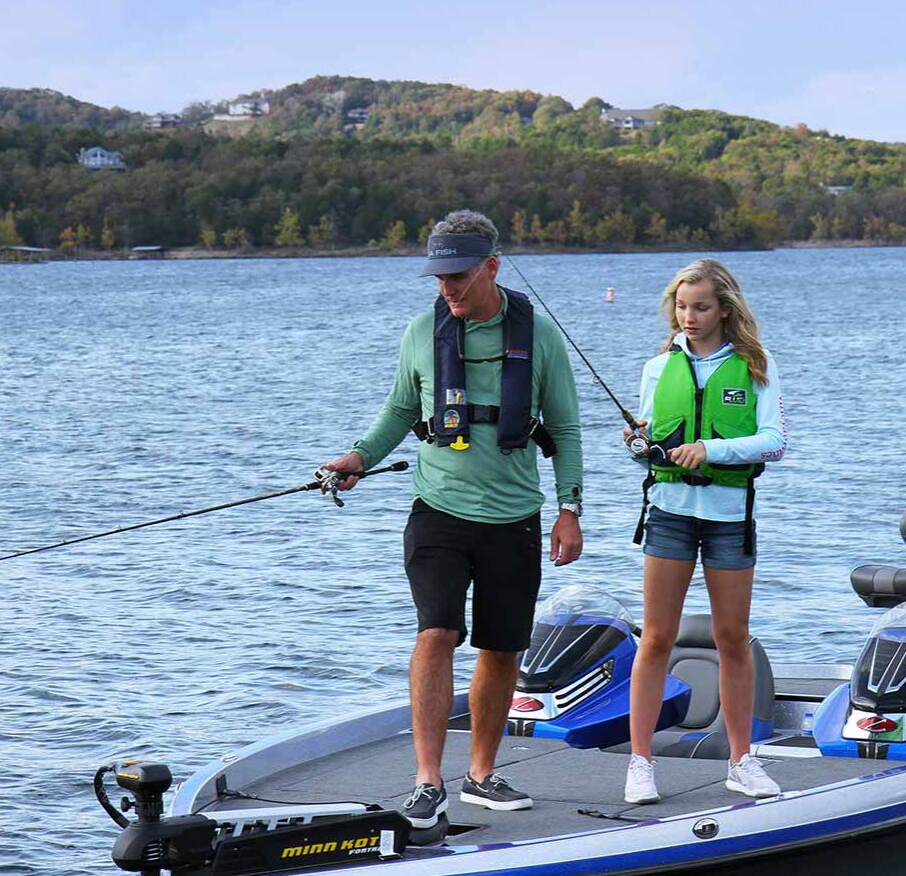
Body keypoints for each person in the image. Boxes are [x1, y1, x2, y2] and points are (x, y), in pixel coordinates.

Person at [321, 209, 584, 832]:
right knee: (437, 633)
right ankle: (426, 782)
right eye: (438, 276)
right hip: (437, 511)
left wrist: (569, 509)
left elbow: (568, 431)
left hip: (515, 518)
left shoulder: (541, 338)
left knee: (501, 648)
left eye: (459, 275)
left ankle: (482, 774)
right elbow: (397, 410)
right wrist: (359, 456)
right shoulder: (421, 331)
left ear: (491, 267)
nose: (447, 287)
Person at [622, 258, 786, 805]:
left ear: (724, 310)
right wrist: (638, 444)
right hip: (669, 512)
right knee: (657, 638)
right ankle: (640, 763)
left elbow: (774, 442)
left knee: (732, 638)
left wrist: (711, 450)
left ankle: (743, 761)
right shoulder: (655, 368)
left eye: (700, 307)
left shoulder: (756, 366)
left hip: (729, 518)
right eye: (681, 306)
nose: (688, 317)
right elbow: (649, 440)